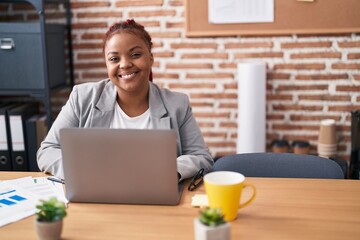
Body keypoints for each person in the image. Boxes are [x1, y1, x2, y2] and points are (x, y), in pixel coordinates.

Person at [37, 19, 214, 180]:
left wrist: (169, 172)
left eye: (135, 55)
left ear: (150, 58)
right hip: (96, 196)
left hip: (154, 196)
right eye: (114, 58)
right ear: (107, 64)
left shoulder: (177, 104)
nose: (125, 64)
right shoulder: (82, 98)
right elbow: (48, 151)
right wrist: (81, 170)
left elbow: (201, 157)